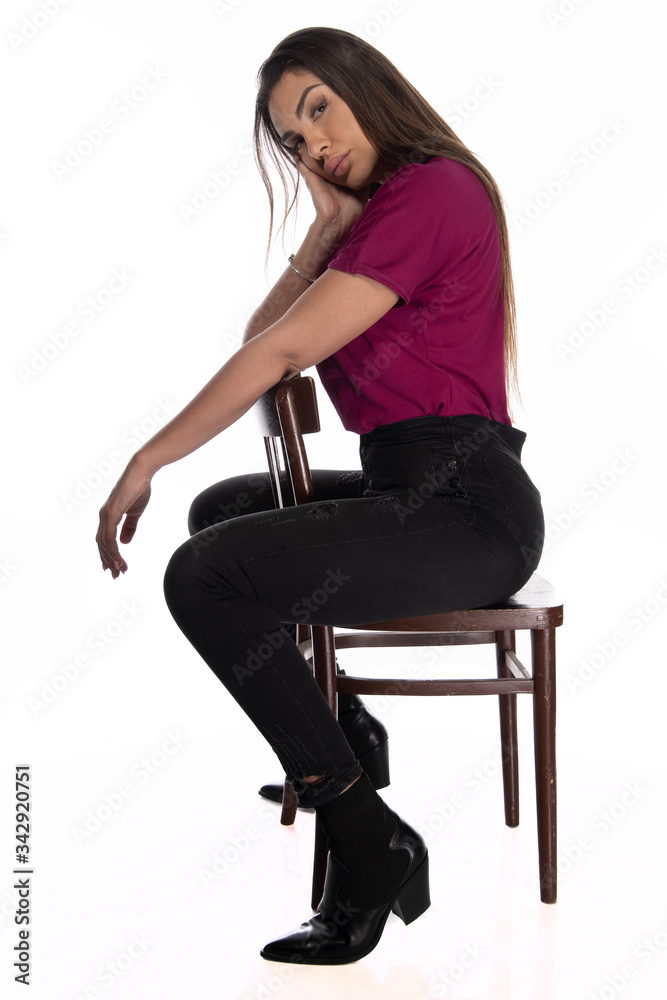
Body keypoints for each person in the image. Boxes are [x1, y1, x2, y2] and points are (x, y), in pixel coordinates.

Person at [95, 26, 545, 965]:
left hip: (466, 506)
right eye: (293, 143)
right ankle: (347, 736)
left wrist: (148, 456)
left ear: (364, 88)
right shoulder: (376, 214)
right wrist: (320, 234)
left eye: (318, 111)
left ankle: (365, 835)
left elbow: (281, 353)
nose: (315, 146)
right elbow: (271, 337)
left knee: (204, 574)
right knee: (225, 514)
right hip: (407, 482)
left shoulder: (434, 190)